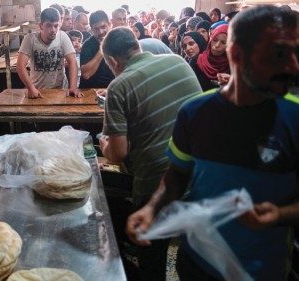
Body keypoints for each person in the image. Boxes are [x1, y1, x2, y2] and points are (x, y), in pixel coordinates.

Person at [126, 6, 299, 281]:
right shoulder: (195, 112)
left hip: (265, 271)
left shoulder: (294, 117)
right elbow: (176, 177)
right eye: (279, 54)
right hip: (197, 265)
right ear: (237, 54)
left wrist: (280, 213)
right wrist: (151, 208)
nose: (293, 66)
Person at [99, 27, 202, 281]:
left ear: (113, 61)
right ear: (138, 46)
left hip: (158, 188)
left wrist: (104, 144)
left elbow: (118, 154)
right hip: (200, 176)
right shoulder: (178, 62)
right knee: (192, 261)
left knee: (152, 261)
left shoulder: (118, 86)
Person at [17, 7, 80, 98]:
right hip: (38, 89)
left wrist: (73, 87)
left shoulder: (63, 37)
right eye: (49, 25)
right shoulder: (30, 39)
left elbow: (72, 62)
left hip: (60, 89)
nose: (53, 30)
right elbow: (20, 65)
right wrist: (31, 88)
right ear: (41, 26)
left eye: (56, 26)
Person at [79, 10, 115, 89]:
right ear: (91, 30)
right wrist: (102, 50)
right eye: (96, 29)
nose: (101, 32)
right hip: (90, 91)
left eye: (103, 27)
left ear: (110, 25)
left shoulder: (118, 41)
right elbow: (86, 75)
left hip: (112, 90)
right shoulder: (88, 45)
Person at [191, 24, 230, 91]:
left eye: (223, 42)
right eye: (215, 40)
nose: (217, 45)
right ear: (211, 39)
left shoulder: (233, 64)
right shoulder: (196, 61)